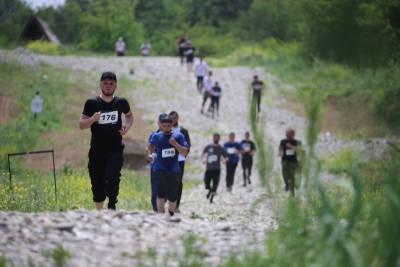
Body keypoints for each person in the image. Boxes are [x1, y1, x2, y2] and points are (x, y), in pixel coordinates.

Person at [79, 72, 134, 210]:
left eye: (111, 83)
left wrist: (126, 127)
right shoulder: (92, 103)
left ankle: (112, 205)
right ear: (100, 84)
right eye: (105, 83)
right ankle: (99, 214)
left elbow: (129, 116)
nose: (108, 86)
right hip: (97, 149)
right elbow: (81, 125)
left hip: (115, 148)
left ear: (115, 85)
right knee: (97, 184)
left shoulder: (121, 102)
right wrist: (92, 120)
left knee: (113, 175)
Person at [148, 113, 188, 217]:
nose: (166, 128)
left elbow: (185, 152)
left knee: (173, 195)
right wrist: (151, 155)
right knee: (160, 193)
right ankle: (160, 216)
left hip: (174, 169)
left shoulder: (178, 136)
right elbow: (150, 146)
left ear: (172, 125)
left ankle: (171, 214)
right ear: (160, 125)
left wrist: (175, 144)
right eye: (164, 126)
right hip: (159, 168)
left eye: (168, 126)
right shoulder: (156, 136)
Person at [169, 111, 191, 213]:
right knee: (167, 181)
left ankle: (176, 206)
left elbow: (188, 146)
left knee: (178, 183)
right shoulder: (165, 129)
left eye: (175, 117)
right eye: (171, 118)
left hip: (180, 160)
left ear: (178, 118)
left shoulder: (183, 131)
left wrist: (184, 152)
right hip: (167, 160)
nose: (173, 119)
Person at [202, 133, 227, 203]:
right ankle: (209, 190)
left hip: (217, 169)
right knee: (206, 182)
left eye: (217, 138)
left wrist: (224, 160)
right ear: (213, 138)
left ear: (219, 139)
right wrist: (204, 159)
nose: (216, 139)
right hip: (209, 169)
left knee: (215, 185)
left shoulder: (221, 148)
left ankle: (211, 198)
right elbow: (203, 154)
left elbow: (226, 157)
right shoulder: (208, 147)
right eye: (215, 138)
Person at [279, 128, 301, 196]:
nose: (287, 135)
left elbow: (299, 150)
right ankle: (286, 184)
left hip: (293, 161)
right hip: (285, 160)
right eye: (287, 133)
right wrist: (280, 152)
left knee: (292, 176)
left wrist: (291, 146)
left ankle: (292, 192)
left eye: (289, 134)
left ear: (293, 134)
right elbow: (280, 148)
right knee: (285, 175)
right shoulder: (283, 141)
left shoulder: (297, 142)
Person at [148, 125, 160, 212]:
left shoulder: (172, 135)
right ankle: (155, 209)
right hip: (155, 166)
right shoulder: (153, 135)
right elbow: (149, 148)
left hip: (168, 166)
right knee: (155, 189)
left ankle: (161, 207)